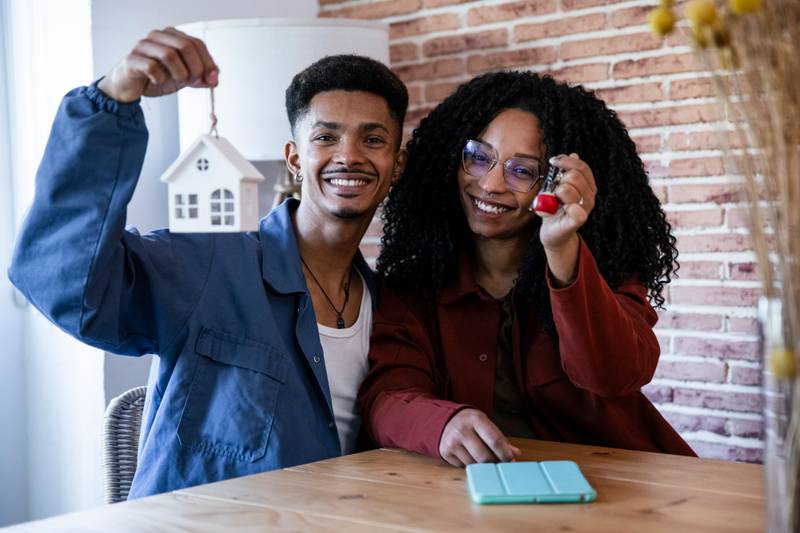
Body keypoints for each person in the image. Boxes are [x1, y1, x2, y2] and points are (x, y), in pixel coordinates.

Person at [8, 27, 408, 496]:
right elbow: (60, 281)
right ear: (295, 159)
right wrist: (113, 99)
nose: (349, 156)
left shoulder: (391, 312)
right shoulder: (208, 264)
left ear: (396, 165)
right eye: (326, 137)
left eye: (373, 140)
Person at [358, 71, 695, 467]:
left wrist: (563, 250)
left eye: (522, 171)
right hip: (476, 495)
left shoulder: (604, 272)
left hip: (615, 488)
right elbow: (386, 395)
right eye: (479, 157)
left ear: (552, 185)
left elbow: (613, 374)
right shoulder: (416, 284)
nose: (491, 184)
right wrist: (442, 424)